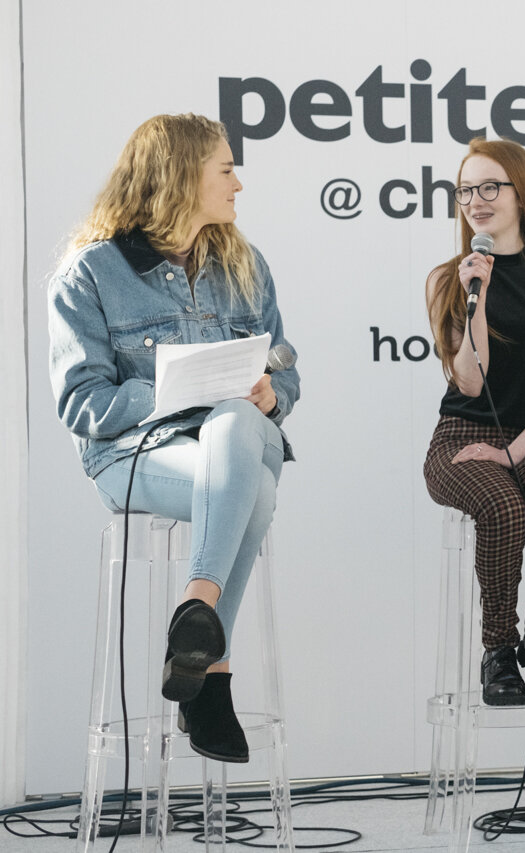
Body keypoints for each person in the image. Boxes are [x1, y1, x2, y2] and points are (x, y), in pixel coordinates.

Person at [49, 113, 300, 762]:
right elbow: (81, 404)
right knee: (259, 496)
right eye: (225, 169)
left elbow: (284, 368)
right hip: (134, 454)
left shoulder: (244, 263)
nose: (238, 184)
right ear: (182, 176)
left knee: (242, 421)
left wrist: (274, 392)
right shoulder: (90, 273)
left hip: (242, 439)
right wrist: (172, 391)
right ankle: (208, 675)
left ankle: (197, 606)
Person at [423, 138, 525, 707]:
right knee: (501, 506)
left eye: (490, 187)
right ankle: (499, 649)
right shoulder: (452, 279)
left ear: (522, 194)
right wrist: (480, 295)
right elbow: (471, 382)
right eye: (466, 189)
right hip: (462, 438)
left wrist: (514, 452)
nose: (476, 200)